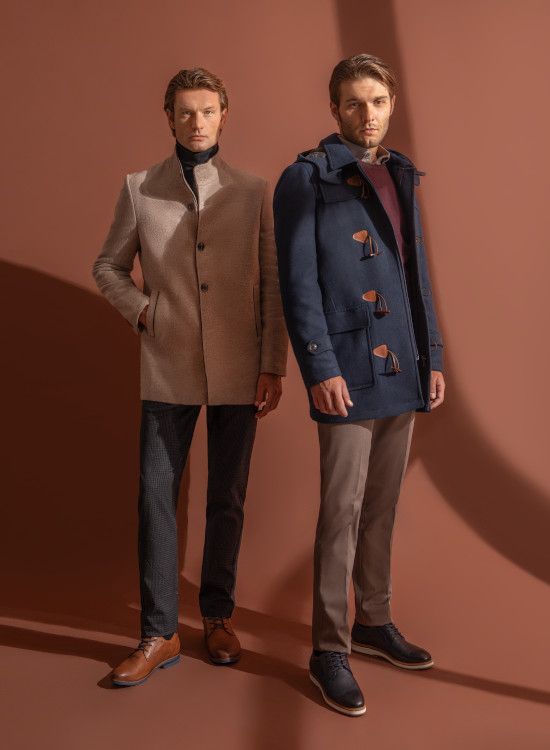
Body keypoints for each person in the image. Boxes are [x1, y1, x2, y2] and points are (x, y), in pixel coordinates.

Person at [92, 67, 288, 687]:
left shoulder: (253, 191)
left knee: (227, 496)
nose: (196, 122)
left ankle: (218, 616)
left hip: (239, 366)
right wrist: (144, 312)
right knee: (156, 496)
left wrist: (272, 363)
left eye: (207, 111)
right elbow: (108, 267)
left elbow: (273, 284)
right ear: (169, 118)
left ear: (224, 116)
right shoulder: (140, 188)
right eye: (185, 112)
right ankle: (159, 632)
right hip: (167, 363)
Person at [273, 54, 445, 716]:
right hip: (346, 367)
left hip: (401, 364)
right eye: (353, 102)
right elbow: (298, 284)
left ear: (392, 103)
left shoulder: (401, 173)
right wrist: (320, 368)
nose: (366, 113)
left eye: (376, 101)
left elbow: (415, 274)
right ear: (334, 109)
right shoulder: (305, 179)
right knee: (341, 510)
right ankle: (329, 649)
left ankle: (373, 621)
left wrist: (431, 356)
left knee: (382, 504)